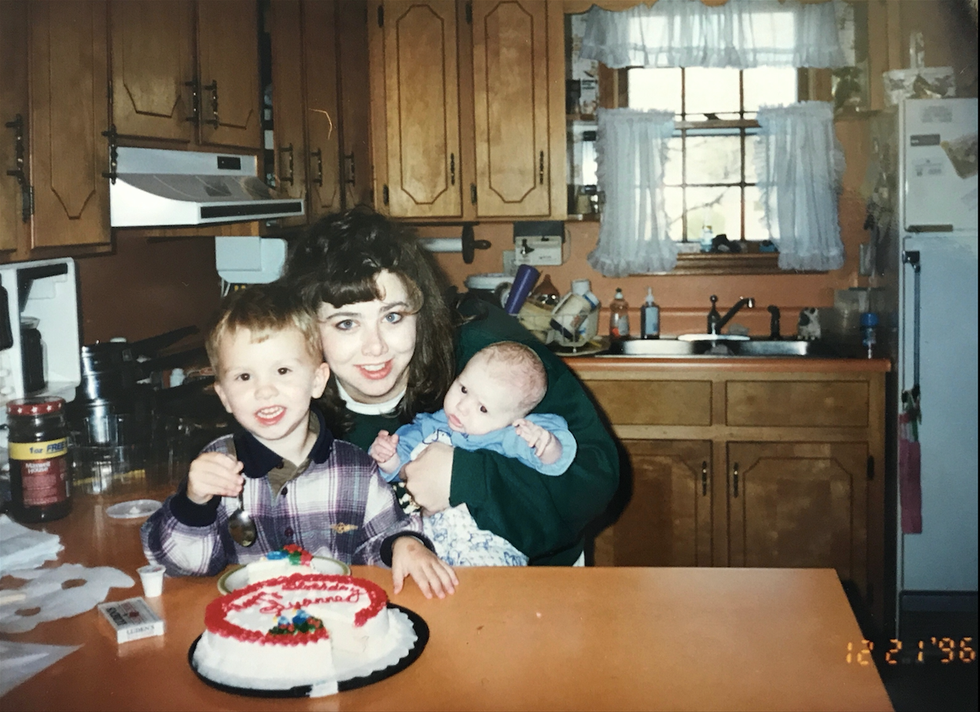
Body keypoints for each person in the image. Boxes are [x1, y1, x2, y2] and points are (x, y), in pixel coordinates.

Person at [283, 207, 619, 566]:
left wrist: (466, 478)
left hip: (534, 578)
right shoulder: (287, 398)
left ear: (420, 309)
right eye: (346, 323)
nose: (375, 347)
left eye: (393, 316)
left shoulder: (490, 355)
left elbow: (593, 483)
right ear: (306, 328)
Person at [140, 283, 457, 598]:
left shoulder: (356, 470)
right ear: (223, 396)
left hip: (335, 618)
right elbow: (182, 565)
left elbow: (384, 537)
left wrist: (404, 544)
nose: (264, 391)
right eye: (244, 376)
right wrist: (194, 504)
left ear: (317, 380)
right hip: (249, 621)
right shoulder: (217, 466)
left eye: (282, 370)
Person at [369, 341, 577, 566]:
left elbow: (554, 460)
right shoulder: (430, 425)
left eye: (483, 408)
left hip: (485, 538)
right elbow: (401, 468)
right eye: (464, 389)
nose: (462, 406)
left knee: (481, 582)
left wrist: (547, 445)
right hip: (426, 533)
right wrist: (388, 458)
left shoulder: (507, 435)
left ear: (514, 420)